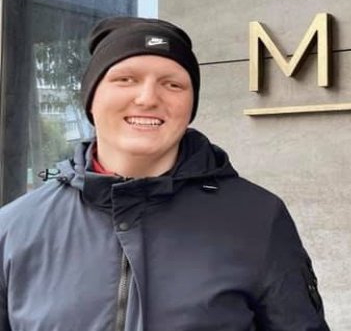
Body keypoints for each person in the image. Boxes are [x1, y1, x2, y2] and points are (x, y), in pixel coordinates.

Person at [0, 17, 330, 330]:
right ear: (91, 98)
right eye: (125, 79)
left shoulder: (257, 218)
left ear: (190, 106)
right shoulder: (16, 227)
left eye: (172, 84)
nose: (147, 98)